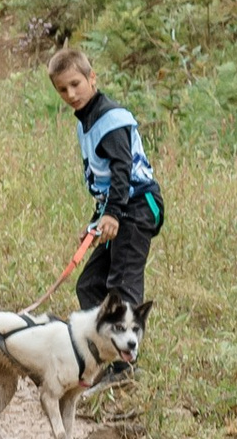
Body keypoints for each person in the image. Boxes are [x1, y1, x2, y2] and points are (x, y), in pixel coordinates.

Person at [47, 43, 162, 365]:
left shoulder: (110, 118)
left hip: (138, 206)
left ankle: (126, 365)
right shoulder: (86, 121)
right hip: (118, 208)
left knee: (122, 286)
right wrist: (97, 220)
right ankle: (103, 353)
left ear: (92, 78)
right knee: (91, 284)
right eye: (62, 89)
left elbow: (122, 170)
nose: (71, 94)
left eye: (76, 84)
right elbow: (103, 181)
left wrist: (112, 213)